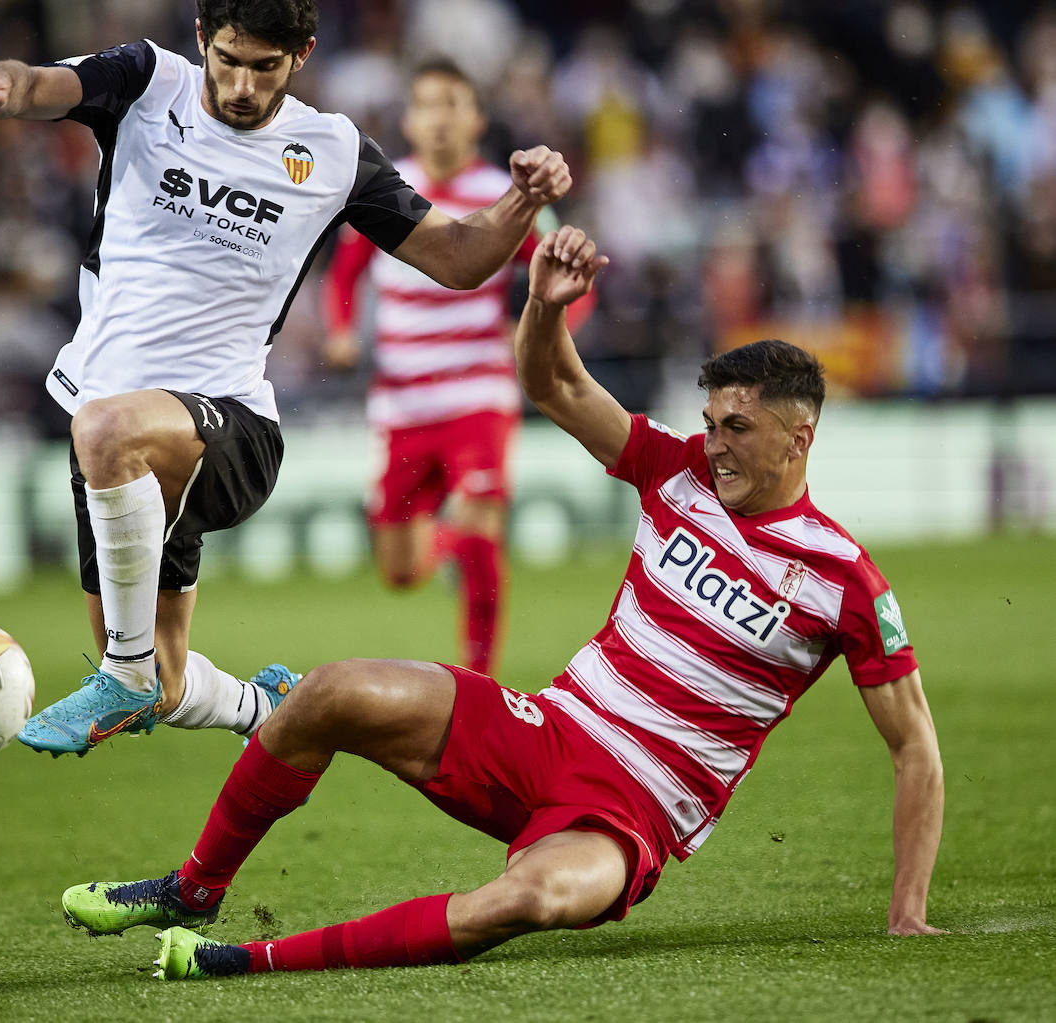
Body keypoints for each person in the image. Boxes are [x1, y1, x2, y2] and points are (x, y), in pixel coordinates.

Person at [56, 226, 946, 978]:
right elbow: (555, 385)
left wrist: (907, 910)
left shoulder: (843, 579)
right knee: (324, 692)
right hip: (544, 729)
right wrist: (545, 304)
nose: (713, 444)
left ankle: (244, 959)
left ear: (802, 435)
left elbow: (914, 748)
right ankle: (196, 885)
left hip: (628, 813)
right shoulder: (674, 472)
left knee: (533, 899)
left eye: (737, 429)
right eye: (710, 423)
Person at [0, 0, 573, 757]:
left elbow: (461, 256)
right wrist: (1, 86)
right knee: (164, 680)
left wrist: (522, 200)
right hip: (118, 451)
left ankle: (126, 675)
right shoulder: (145, 82)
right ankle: (264, 705)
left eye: (264, 67)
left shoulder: (330, 151)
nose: (240, 84)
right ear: (202, 39)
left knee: (104, 440)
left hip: (230, 429)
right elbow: (41, 85)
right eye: (228, 59)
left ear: (301, 53)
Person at [322, 57, 590, 675]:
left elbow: (570, 276)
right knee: (399, 571)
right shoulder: (385, 189)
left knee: (481, 526)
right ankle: (443, 547)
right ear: (409, 120)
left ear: (476, 120)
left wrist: (544, 333)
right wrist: (339, 329)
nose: (439, 118)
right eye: (427, 104)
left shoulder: (508, 196)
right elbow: (346, 269)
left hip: (478, 395)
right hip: (402, 403)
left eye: (453, 104)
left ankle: (479, 680)